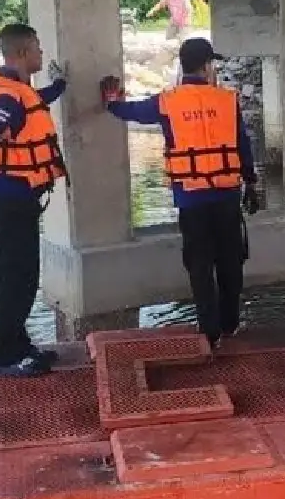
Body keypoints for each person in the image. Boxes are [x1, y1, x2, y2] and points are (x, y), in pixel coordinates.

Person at [100, 37, 262, 351]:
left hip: (192, 199)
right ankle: (230, 324)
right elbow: (242, 145)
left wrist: (111, 101)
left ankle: (210, 332)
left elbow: (129, 111)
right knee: (230, 262)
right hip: (227, 195)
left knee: (200, 265)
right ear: (206, 66)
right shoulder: (227, 100)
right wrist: (251, 182)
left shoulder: (166, 102)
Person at [0, 24, 70, 377]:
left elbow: (37, 105)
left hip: (19, 200)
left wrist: (59, 86)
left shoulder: (21, 92)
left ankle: (20, 344)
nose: (42, 54)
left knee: (25, 275)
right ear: (23, 53)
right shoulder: (6, 97)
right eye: (38, 48)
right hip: (6, 200)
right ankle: (7, 356)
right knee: (13, 278)